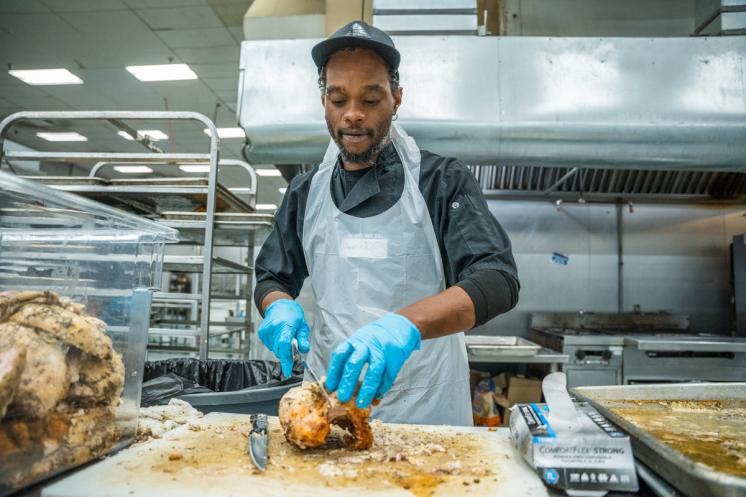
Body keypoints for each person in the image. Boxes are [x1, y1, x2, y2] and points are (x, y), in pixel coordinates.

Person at [254, 20, 519, 425]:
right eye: (338, 100)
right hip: (329, 406)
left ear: (397, 98)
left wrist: (404, 326)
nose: (353, 116)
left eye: (372, 100)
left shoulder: (441, 181)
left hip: (427, 408)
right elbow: (273, 276)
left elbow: (497, 280)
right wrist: (279, 309)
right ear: (323, 100)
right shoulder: (305, 191)